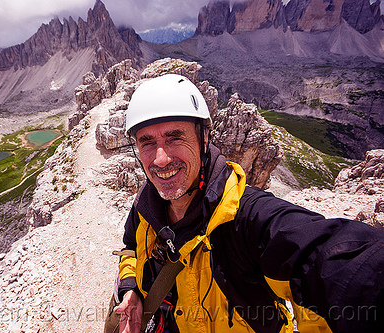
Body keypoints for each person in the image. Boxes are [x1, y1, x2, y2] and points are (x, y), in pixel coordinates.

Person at [111, 74, 384, 333]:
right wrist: (130, 289)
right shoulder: (144, 208)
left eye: (175, 137)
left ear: (204, 139)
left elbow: (323, 258)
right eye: (146, 142)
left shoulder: (247, 217)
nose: (160, 159)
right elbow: (130, 250)